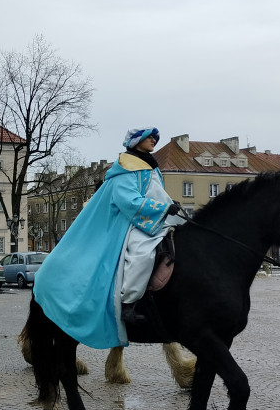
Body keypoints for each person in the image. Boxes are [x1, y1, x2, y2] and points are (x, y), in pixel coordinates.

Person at [32, 127, 180, 350]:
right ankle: (129, 304)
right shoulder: (126, 167)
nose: (154, 140)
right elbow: (128, 200)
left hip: (153, 219)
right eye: (149, 137)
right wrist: (161, 208)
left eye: (155, 138)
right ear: (136, 141)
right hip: (128, 223)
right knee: (142, 254)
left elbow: (156, 194)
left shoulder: (150, 164)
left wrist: (170, 208)